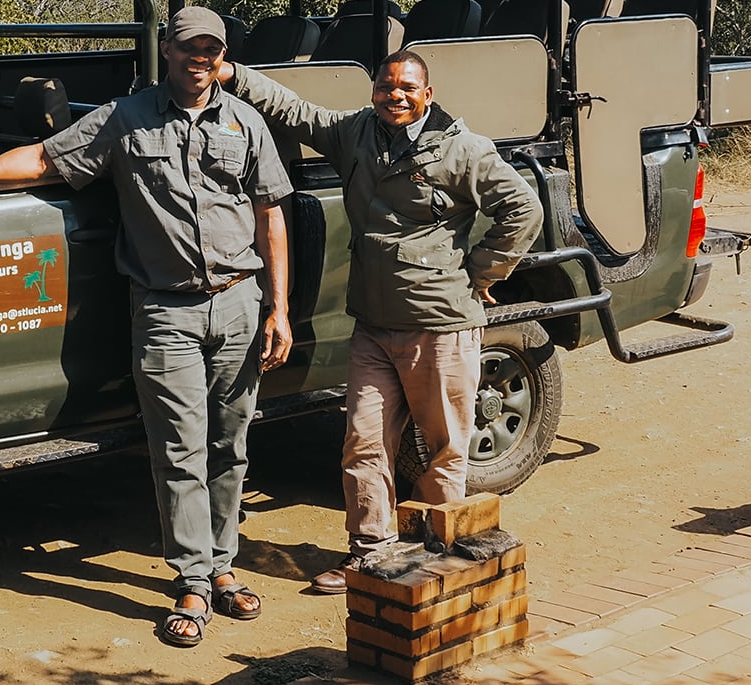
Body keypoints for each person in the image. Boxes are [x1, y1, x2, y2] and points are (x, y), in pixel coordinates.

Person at [0, 7, 292, 647]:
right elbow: (44, 160)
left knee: (231, 443)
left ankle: (224, 568)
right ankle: (193, 580)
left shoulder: (246, 122)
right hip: (165, 309)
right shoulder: (125, 118)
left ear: (221, 56)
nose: (200, 58)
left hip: (239, 301)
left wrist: (279, 307)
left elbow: (270, 214)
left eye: (211, 49)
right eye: (189, 47)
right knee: (179, 449)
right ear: (168, 49)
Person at [217, 49, 542, 594]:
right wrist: (231, 74)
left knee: (442, 451)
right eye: (386, 85)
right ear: (373, 91)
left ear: (428, 94)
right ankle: (369, 555)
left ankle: (442, 555)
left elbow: (523, 209)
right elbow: (292, 109)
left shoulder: (463, 150)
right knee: (364, 445)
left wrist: (482, 272)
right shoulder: (356, 134)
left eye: (408, 87)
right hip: (372, 326)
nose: (396, 95)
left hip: (439, 326)